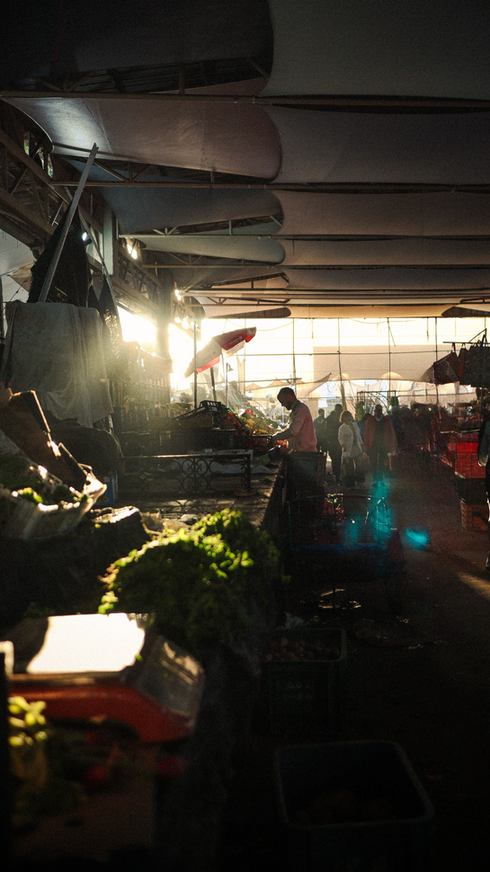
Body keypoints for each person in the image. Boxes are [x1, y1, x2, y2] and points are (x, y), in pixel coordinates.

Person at [271, 387, 317, 452]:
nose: (282, 405)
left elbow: (293, 431)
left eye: (283, 402)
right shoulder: (295, 410)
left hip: (305, 453)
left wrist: (275, 437)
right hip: (299, 451)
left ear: (290, 397)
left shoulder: (301, 409)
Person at [363, 403, 397, 483]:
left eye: (379, 411)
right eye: (377, 411)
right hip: (373, 443)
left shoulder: (386, 420)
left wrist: (392, 444)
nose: (378, 413)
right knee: (374, 462)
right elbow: (366, 433)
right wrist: (366, 444)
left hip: (383, 443)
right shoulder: (371, 420)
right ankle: (376, 478)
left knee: (381, 461)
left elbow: (391, 433)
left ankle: (379, 478)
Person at [338, 409, 365, 488]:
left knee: (359, 465)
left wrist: (362, 444)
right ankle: (351, 484)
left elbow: (358, 436)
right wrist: (343, 445)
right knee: (349, 467)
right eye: (348, 416)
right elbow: (340, 438)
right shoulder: (342, 428)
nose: (350, 417)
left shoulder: (354, 425)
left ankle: (360, 481)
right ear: (344, 417)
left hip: (356, 446)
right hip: (348, 448)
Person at [325, 404, 343, 484]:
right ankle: (336, 475)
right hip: (332, 442)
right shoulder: (329, 419)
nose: (338, 411)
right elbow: (325, 430)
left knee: (338, 459)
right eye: (337, 409)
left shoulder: (342, 419)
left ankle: (337, 475)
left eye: (340, 410)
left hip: (338, 442)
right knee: (335, 459)